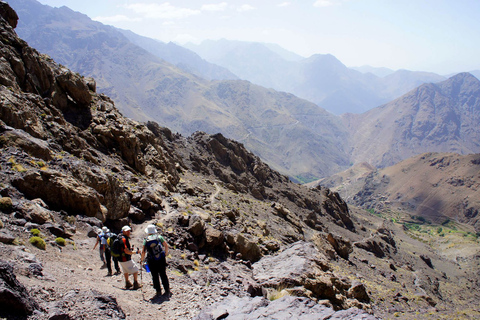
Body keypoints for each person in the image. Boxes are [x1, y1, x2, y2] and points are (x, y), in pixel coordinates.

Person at [140, 224, 170, 296]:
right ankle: (167, 289)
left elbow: (143, 251)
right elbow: (166, 245)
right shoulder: (159, 237)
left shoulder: (146, 240)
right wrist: (165, 254)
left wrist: (141, 260)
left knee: (154, 275)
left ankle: (158, 291)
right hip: (161, 259)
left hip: (152, 260)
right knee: (163, 274)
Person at [119, 225, 141, 290]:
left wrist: (130, 249)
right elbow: (126, 251)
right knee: (136, 270)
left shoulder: (120, 238)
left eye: (129, 231)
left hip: (120, 258)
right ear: (123, 231)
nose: (128, 232)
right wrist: (135, 252)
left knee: (125, 270)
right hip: (125, 258)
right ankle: (136, 283)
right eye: (127, 231)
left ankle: (127, 283)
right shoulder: (124, 239)